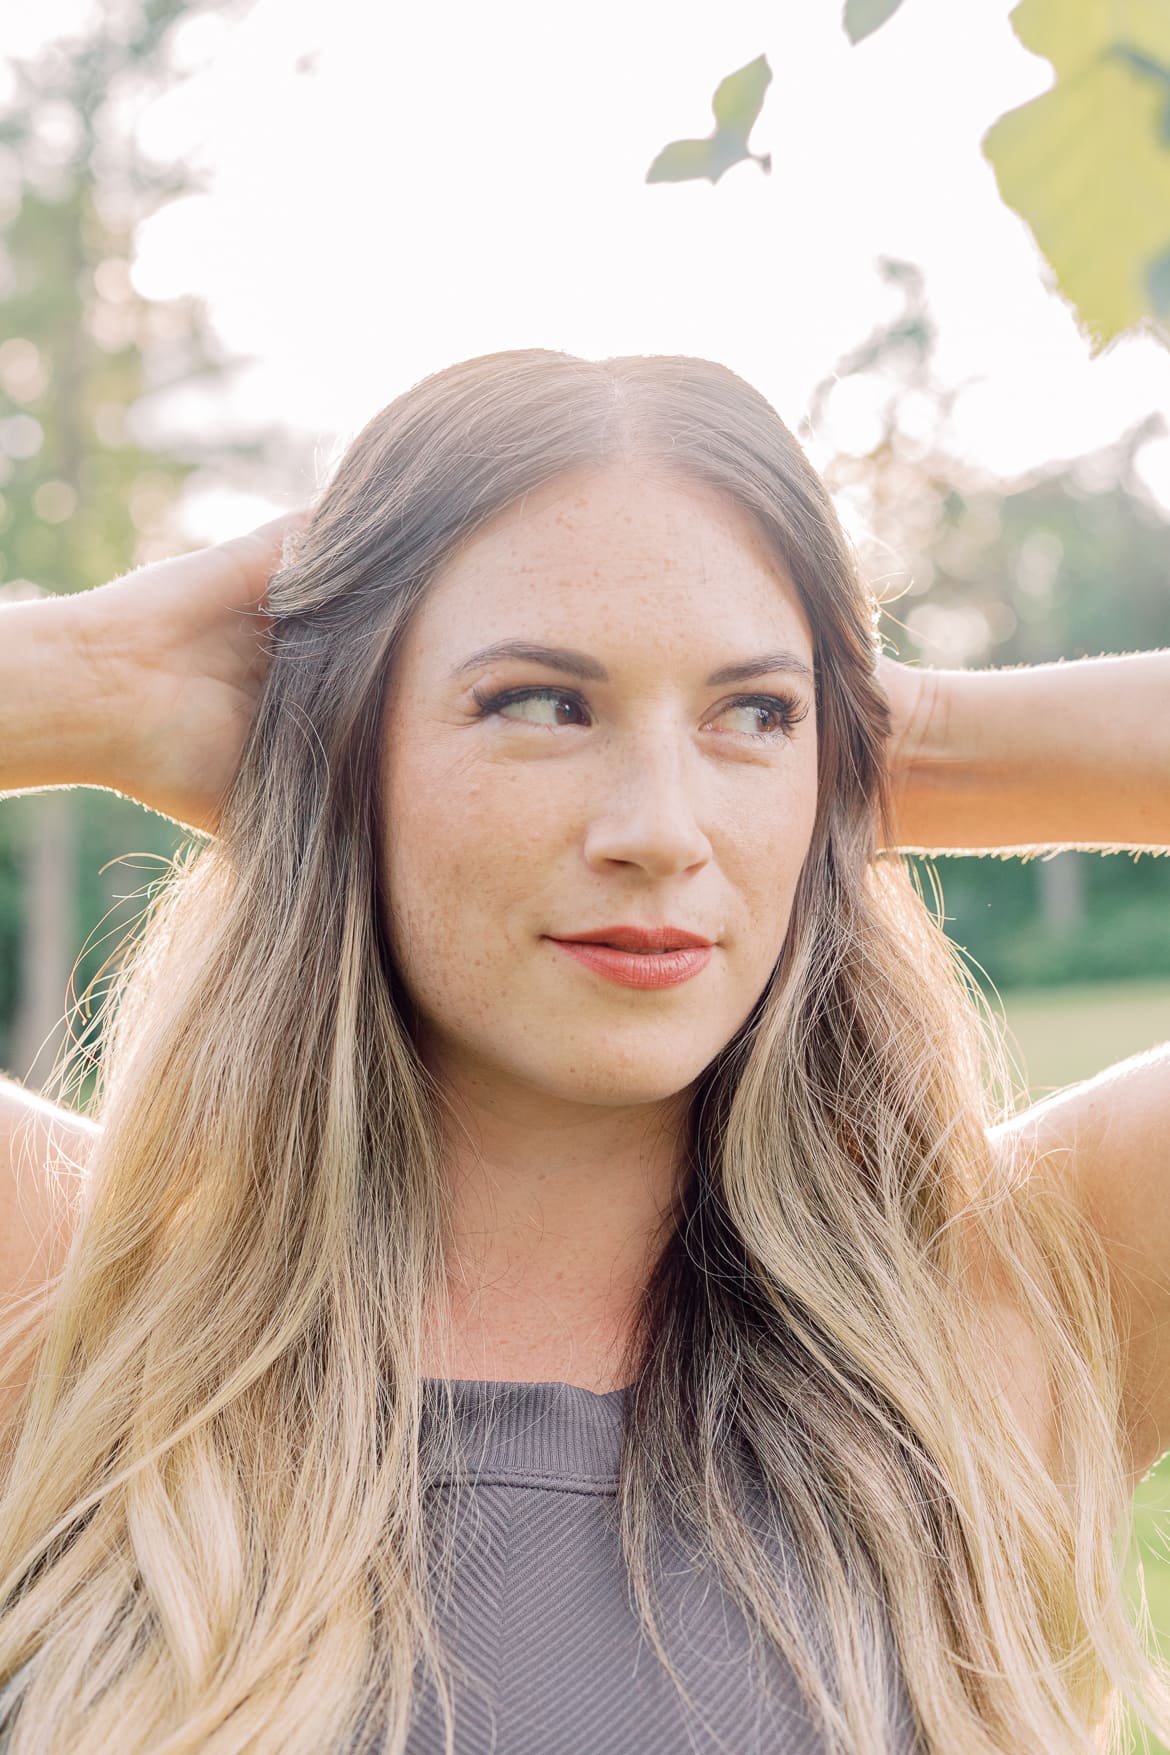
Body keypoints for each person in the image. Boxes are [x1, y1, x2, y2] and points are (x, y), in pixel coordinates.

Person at [0, 348, 1165, 1755]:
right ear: (337, 748)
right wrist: (85, 680)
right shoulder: (75, 1306)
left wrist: (911, 743)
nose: (661, 828)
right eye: (543, 705)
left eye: (752, 713)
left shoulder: (995, 1303)